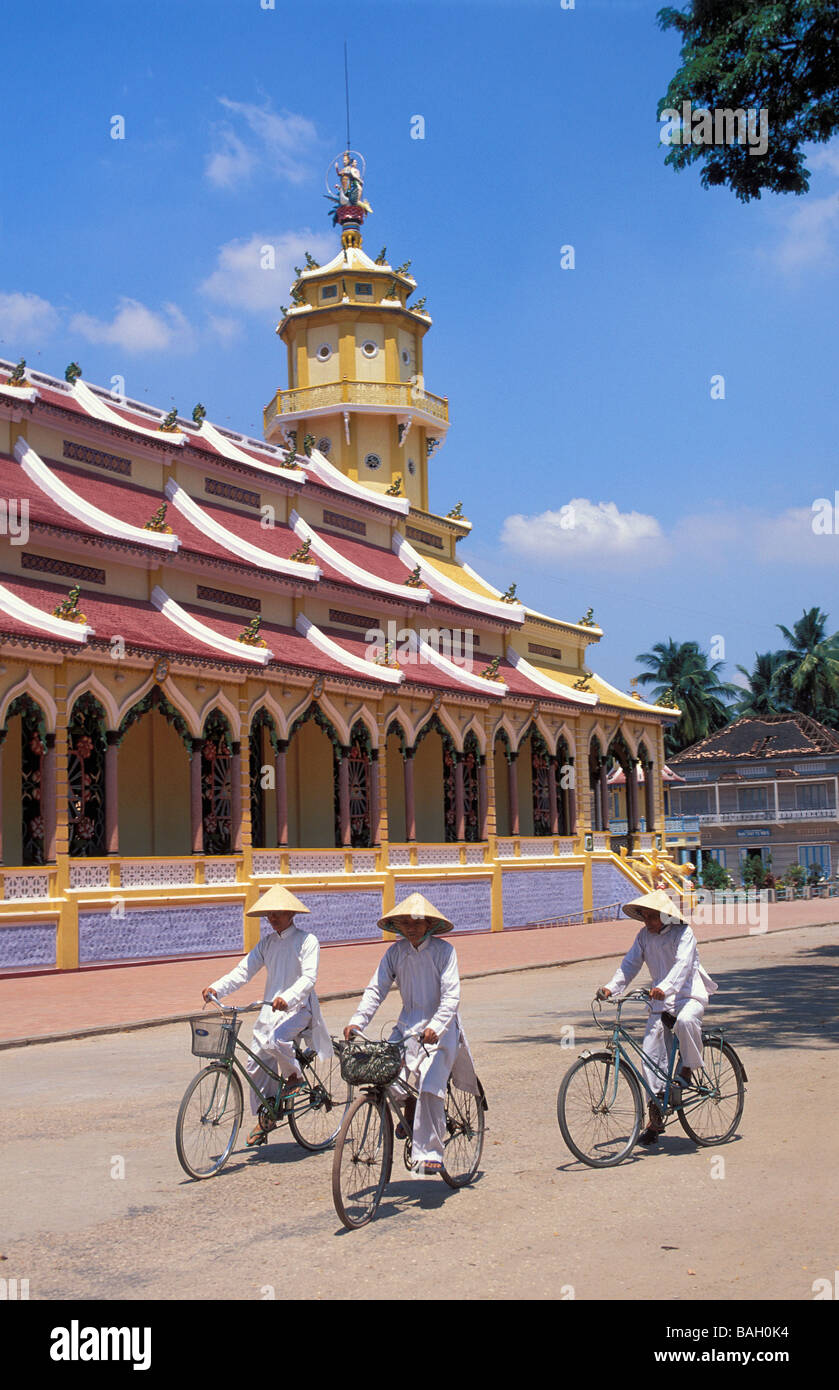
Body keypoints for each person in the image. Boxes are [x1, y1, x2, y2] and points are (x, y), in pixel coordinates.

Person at [343, 892, 479, 1178]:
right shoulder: (395, 952)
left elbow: (451, 996)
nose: (412, 927)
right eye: (405, 922)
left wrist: (437, 1026)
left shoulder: (444, 952)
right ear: (398, 926)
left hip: (441, 1031)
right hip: (407, 1026)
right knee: (385, 1076)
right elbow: (376, 989)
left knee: (429, 1084)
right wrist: (357, 1022)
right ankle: (409, 1113)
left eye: (417, 921)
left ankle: (430, 1153)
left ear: (429, 923)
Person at [202, 885, 332, 1148]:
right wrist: (217, 987)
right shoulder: (268, 943)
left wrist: (290, 998)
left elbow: (309, 978)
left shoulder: (307, 941)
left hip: (299, 1009)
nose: (272, 918)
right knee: (254, 1065)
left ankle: (294, 1077)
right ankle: (268, 1115)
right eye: (269, 914)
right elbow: (243, 971)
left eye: (277, 913)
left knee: (276, 1042)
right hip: (271, 1009)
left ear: (291, 914)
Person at [599, 888, 717, 1145]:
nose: (647, 922)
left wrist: (665, 987)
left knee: (686, 1022)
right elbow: (630, 964)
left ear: (665, 916)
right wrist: (611, 987)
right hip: (659, 1001)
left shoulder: (684, 933)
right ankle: (656, 1114)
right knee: (649, 1055)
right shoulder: (644, 936)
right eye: (644, 917)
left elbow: (683, 966)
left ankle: (688, 1066)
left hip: (687, 995)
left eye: (652, 917)